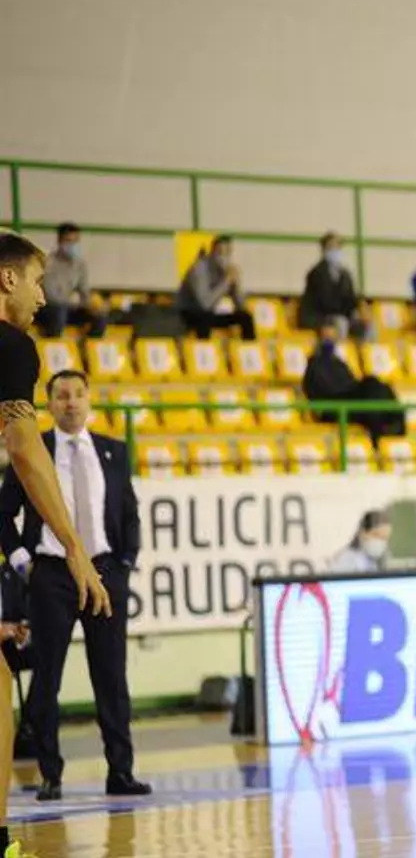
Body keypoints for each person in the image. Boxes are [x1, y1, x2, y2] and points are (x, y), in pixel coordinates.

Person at [0, 229, 112, 857]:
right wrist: (72, 545)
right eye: (38, 282)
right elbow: (25, 450)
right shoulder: (11, 345)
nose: (43, 298)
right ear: (7, 279)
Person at [0, 370, 149, 802]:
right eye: (62, 395)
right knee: (47, 677)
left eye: (79, 394)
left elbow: (130, 514)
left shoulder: (114, 451)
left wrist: (124, 564)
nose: (71, 402)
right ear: (49, 404)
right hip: (51, 574)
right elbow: (3, 514)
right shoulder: (34, 449)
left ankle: (121, 772)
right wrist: (24, 563)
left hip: (104, 573)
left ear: (89, 400)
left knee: (112, 676)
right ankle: (50, 774)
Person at [177, 236, 257, 340]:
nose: (225, 258)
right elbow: (204, 304)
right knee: (203, 318)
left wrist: (236, 285)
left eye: (228, 253)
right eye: (221, 253)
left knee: (245, 317)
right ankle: (204, 348)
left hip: (210, 312)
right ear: (213, 252)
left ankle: (248, 348)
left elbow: (241, 306)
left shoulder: (226, 270)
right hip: (188, 312)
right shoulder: (200, 269)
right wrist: (226, 282)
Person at [37, 223, 106, 339]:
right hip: (48, 307)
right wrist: (74, 304)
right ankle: (52, 344)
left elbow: (84, 292)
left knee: (99, 316)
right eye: (69, 241)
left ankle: (88, 346)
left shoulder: (80, 265)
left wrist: (91, 305)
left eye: (76, 241)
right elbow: (51, 296)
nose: (73, 245)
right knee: (58, 312)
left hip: (69, 307)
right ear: (60, 242)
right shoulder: (48, 263)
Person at [297, 232, 369, 340]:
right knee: (341, 322)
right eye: (331, 247)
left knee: (367, 324)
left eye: (338, 247)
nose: (335, 251)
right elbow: (326, 302)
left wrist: (360, 306)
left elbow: (350, 299)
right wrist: (345, 312)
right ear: (324, 250)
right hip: (320, 316)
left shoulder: (345, 274)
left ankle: (363, 349)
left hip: (339, 315)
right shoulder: (316, 273)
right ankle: (338, 349)